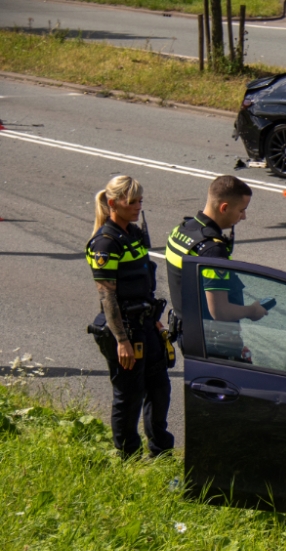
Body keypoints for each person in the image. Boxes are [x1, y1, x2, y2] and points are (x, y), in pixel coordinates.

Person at [86, 175, 174, 459]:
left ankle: (160, 453)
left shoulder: (132, 233)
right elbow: (107, 297)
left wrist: (155, 319)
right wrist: (121, 339)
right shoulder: (105, 244)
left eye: (140, 201)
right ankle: (128, 458)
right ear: (113, 203)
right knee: (129, 396)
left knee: (159, 389)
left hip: (146, 325)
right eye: (131, 201)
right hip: (125, 332)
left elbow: (144, 280)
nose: (138, 206)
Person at [165, 175, 267, 361]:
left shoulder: (181, 230)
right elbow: (219, 311)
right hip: (212, 344)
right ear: (224, 208)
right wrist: (252, 311)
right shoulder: (212, 250)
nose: (244, 217)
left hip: (188, 331)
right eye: (241, 210)